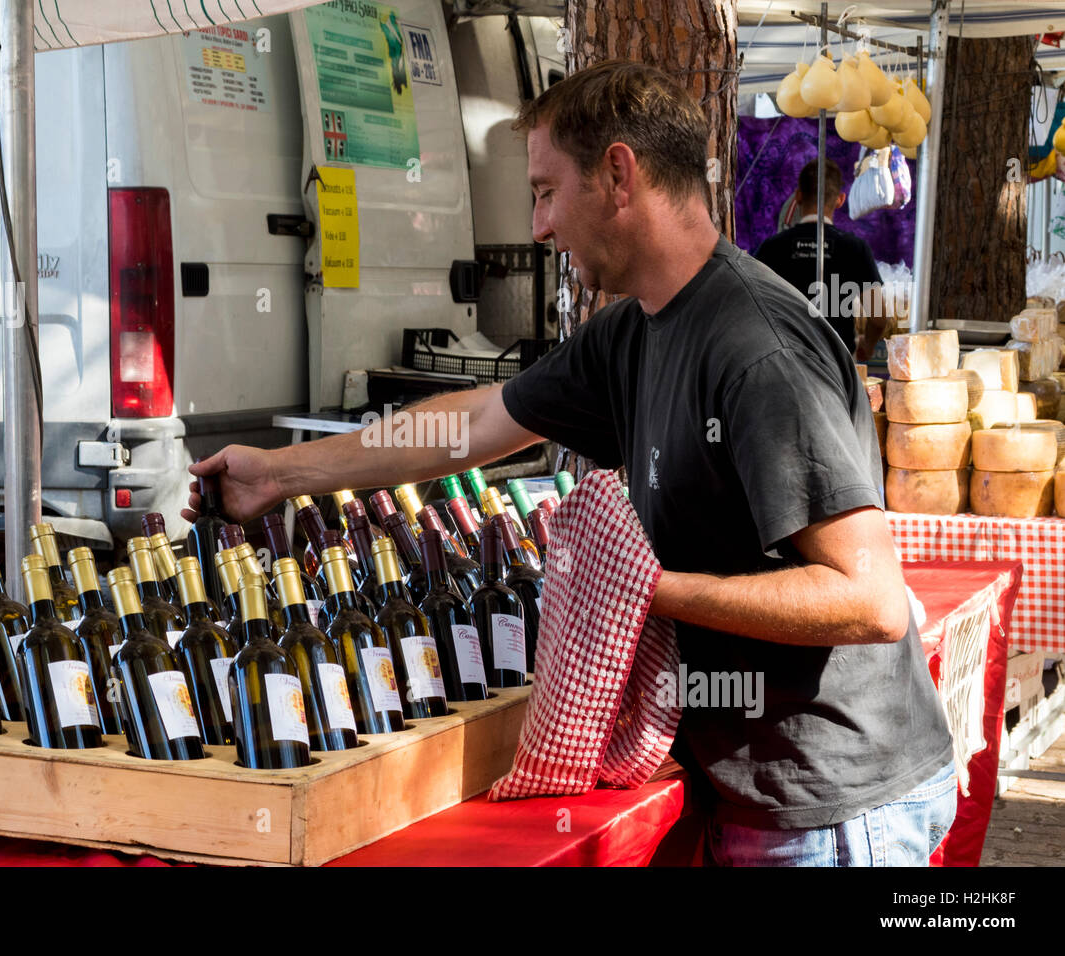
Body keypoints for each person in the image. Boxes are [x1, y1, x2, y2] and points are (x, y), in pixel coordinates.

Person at [185, 61, 955, 867]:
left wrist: (645, 591)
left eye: (547, 192)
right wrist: (280, 476)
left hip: (834, 804)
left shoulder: (757, 350)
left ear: (618, 176)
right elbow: (477, 422)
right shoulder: (637, 331)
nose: (540, 226)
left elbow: (869, 602)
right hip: (772, 794)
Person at [754, 159, 890, 362]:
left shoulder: (771, 248)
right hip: (837, 366)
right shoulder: (855, 249)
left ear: (798, 196)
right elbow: (878, 318)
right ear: (840, 200)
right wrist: (867, 346)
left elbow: (752, 311)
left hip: (782, 364)